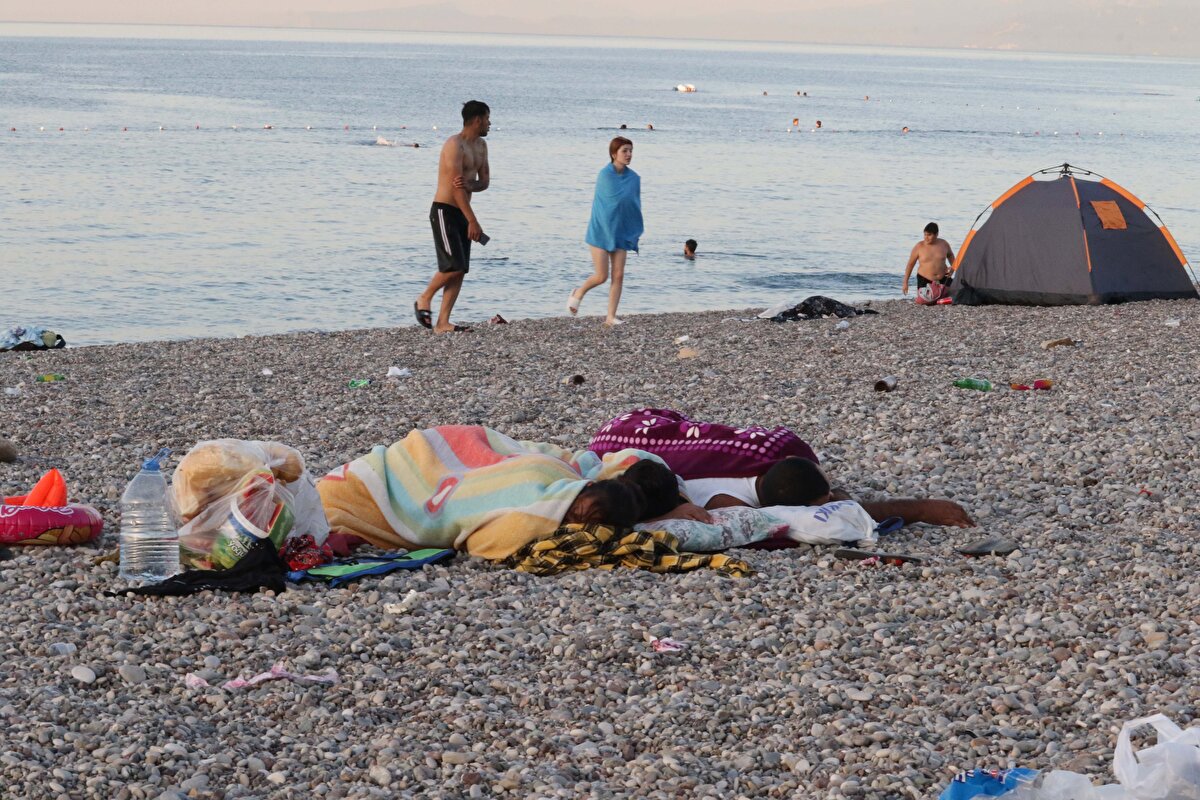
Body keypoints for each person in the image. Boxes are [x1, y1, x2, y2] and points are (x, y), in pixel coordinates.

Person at [589, 408, 975, 529]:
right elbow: (835, 514)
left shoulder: (764, 472)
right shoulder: (730, 504)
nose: (835, 497)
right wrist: (921, 509)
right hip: (625, 451)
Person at [414, 100, 491, 334]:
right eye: (488, 118)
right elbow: (455, 188)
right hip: (444, 210)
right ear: (477, 119)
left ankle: (443, 323)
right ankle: (424, 298)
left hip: (463, 212)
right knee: (453, 265)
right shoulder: (453, 145)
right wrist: (473, 221)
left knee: (461, 268)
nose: (490, 123)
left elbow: (484, 181)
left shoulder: (481, 147)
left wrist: (472, 184)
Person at [567, 137, 643, 326]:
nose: (629, 154)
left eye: (630, 151)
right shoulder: (605, 175)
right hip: (601, 231)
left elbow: (633, 205)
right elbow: (609, 203)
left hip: (621, 232)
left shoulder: (634, 178)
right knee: (601, 276)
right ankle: (579, 292)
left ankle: (610, 317)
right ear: (613, 153)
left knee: (619, 275)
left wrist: (633, 231)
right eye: (624, 151)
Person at [902, 222, 956, 298]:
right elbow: (910, 265)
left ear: (936, 234)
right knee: (926, 300)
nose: (926, 237)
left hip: (944, 278)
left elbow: (950, 256)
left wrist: (953, 268)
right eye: (925, 234)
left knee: (958, 294)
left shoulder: (944, 244)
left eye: (929, 235)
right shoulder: (919, 246)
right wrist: (905, 283)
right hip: (925, 280)